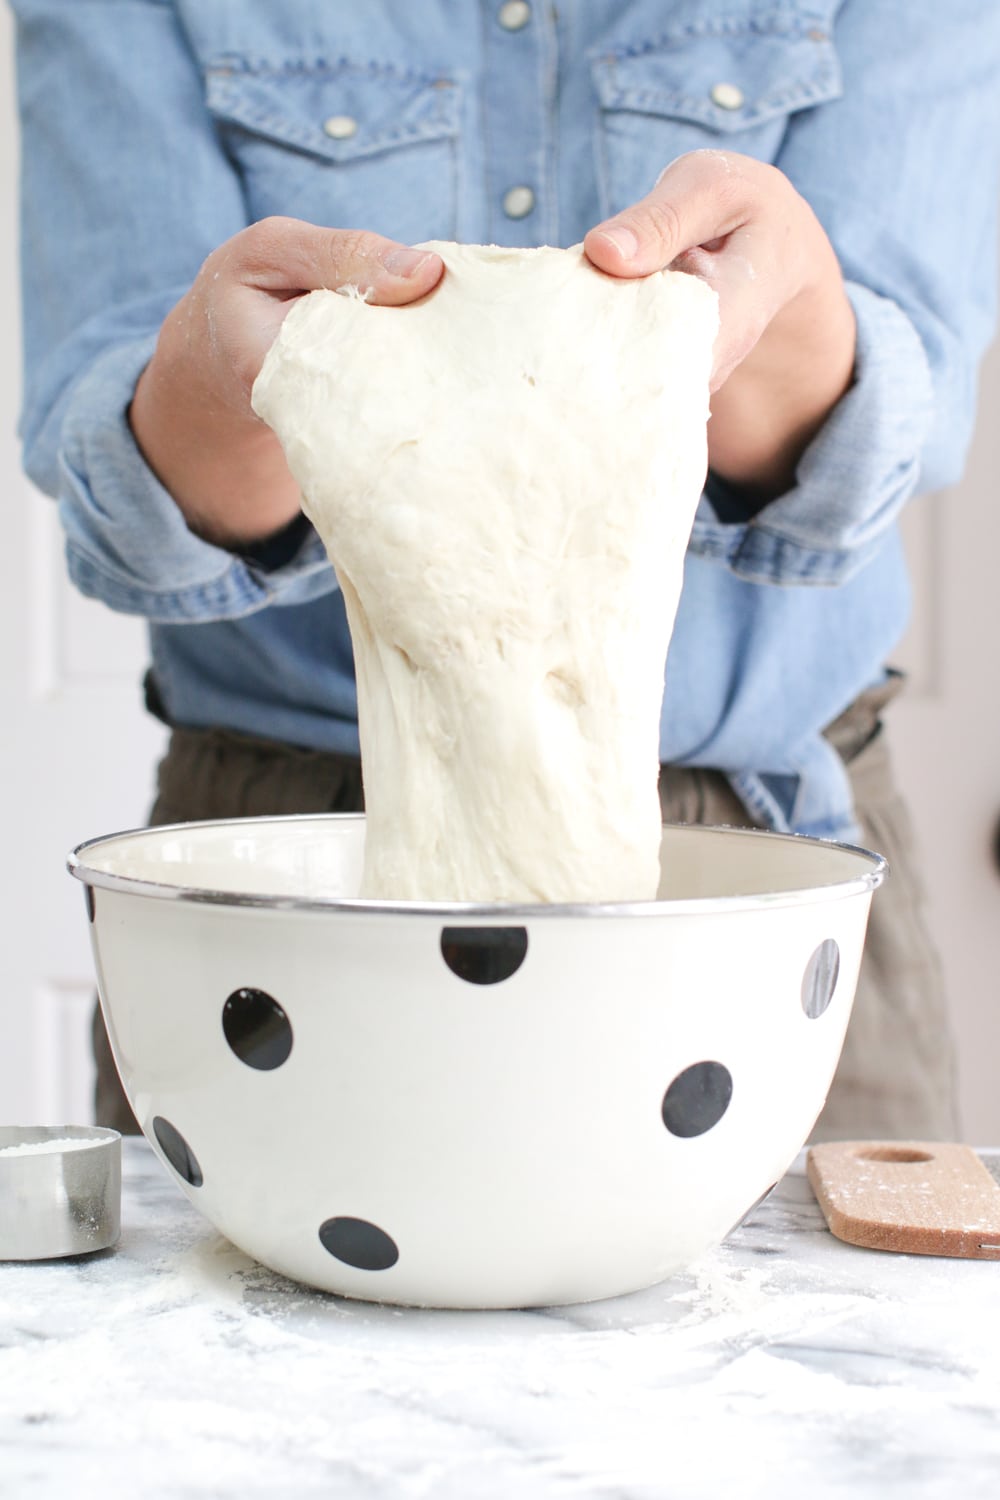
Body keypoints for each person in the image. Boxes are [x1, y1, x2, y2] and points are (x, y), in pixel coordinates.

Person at [10, 1, 1000, 1139]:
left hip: (764, 858)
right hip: (290, 862)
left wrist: (773, 318)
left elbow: (894, 435)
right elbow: (127, 512)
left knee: (821, 1316)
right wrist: (232, 378)